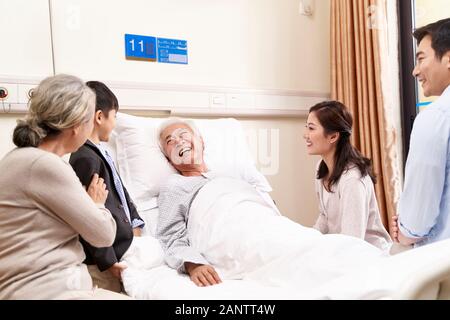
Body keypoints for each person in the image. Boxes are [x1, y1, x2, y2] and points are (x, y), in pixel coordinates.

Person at [156, 118, 385, 290]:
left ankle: (368, 272)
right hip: (225, 234)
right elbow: (170, 236)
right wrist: (192, 264)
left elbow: (265, 207)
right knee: (287, 259)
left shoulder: (233, 173)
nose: (178, 142)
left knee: (308, 244)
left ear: (201, 142)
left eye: (183, 135)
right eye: (170, 141)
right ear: (168, 158)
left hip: (265, 223)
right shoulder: (174, 186)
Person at [0, 74, 129, 299]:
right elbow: (103, 234)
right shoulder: (45, 165)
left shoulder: (20, 159)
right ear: (77, 125)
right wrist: (97, 204)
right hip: (49, 291)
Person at [69, 81, 145, 293]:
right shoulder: (85, 158)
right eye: (115, 117)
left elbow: (122, 195)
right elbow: (87, 217)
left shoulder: (101, 154)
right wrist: (108, 261)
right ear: (100, 117)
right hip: (103, 264)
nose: (114, 124)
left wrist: (135, 223)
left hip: (122, 250)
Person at [391, 18, 450, 247]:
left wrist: (403, 231)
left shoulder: (436, 117)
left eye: (421, 58)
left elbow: (417, 221)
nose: (415, 71)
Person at [303, 100, 392, 251]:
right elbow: (325, 218)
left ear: (333, 137)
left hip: (369, 256)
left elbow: (352, 240)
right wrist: (307, 242)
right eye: (306, 127)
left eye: (311, 128)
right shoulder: (321, 168)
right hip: (343, 251)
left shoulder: (353, 180)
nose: (305, 135)